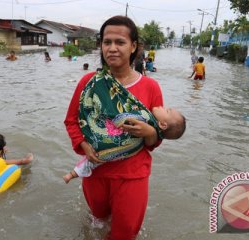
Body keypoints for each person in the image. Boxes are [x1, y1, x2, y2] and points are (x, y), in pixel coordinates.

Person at [64, 15, 164, 239]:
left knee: (125, 231)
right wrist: (84, 146)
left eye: (120, 42)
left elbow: (157, 136)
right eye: (107, 42)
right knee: (97, 223)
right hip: (95, 170)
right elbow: (72, 121)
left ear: (133, 47)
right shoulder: (88, 82)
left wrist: (149, 132)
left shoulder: (150, 87)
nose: (112, 48)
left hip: (132, 174)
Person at [63, 106, 186, 183]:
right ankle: (73, 174)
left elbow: (151, 144)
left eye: (166, 110)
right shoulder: (150, 118)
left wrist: (150, 132)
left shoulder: (149, 119)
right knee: (93, 159)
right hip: (113, 150)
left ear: (163, 125)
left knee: (95, 158)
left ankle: (72, 174)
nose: (161, 106)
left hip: (119, 154)